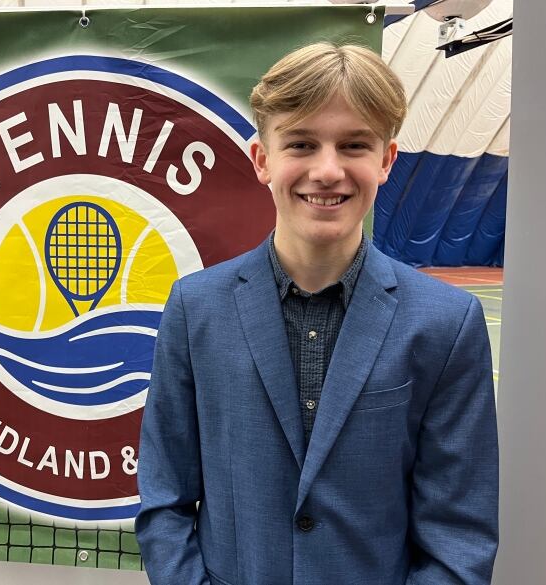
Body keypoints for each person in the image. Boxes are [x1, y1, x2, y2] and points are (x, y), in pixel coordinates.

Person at [135, 42, 498, 585]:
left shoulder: (446, 324)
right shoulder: (195, 309)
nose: (327, 171)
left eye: (354, 145)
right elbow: (165, 502)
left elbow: (459, 535)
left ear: (386, 160)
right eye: (301, 143)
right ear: (264, 160)